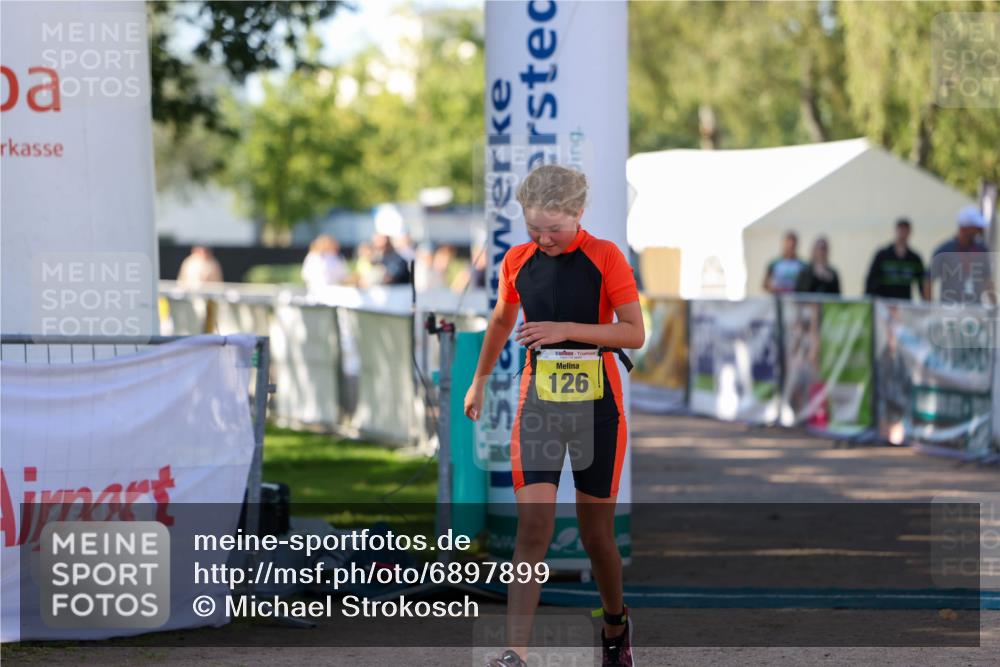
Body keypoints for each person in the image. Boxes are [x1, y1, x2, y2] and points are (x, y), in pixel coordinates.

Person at [464, 165, 644, 667]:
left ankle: (615, 624)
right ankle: (514, 653)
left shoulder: (606, 256)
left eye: (554, 230)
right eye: (533, 229)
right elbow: (502, 318)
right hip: (539, 406)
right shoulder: (517, 260)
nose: (542, 239)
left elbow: (633, 333)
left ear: (579, 214)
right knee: (534, 528)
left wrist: (567, 328)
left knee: (595, 537)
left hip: (598, 411)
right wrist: (479, 378)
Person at [927, 205, 994, 304]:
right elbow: (928, 280)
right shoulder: (944, 250)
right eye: (976, 228)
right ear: (964, 228)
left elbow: (987, 281)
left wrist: (994, 307)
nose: (979, 231)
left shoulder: (982, 250)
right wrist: (929, 308)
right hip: (949, 309)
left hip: (975, 309)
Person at [864, 218, 927, 300]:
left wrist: (926, 303)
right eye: (901, 230)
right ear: (895, 231)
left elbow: (922, 283)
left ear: (909, 232)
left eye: (905, 230)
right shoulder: (882, 255)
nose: (902, 233)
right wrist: (870, 299)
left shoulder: (915, 258)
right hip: (884, 304)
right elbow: (871, 280)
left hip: (904, 303)